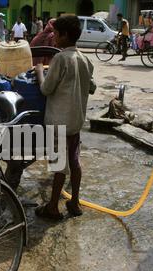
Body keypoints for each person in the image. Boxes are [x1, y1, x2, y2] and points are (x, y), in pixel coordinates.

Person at [34, 15, 94, 220]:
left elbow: (46, 89)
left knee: (59, 167)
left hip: (58, 122)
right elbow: (92, 87)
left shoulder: (60, 58)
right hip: (75, 122)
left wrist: (40, 70)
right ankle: (74, 202)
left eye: (56, 34)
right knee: (74, 162)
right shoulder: (85, 60)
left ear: (65, 35)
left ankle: (52, 207)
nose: (54, 38)